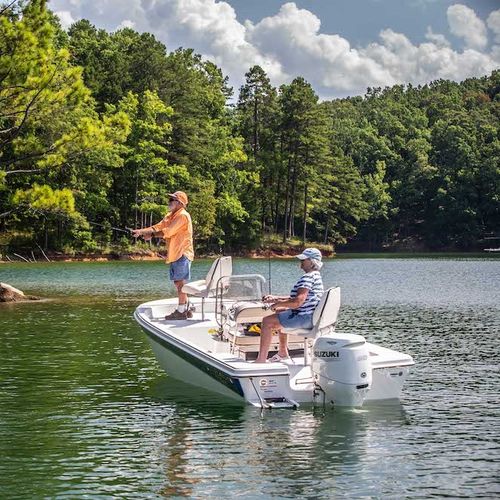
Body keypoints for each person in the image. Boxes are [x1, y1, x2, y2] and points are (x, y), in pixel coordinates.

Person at [131, 191, 194, 320]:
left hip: (182, 253)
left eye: (172, 200)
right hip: (175, 254)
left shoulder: (183, 216)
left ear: (180, 203)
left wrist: (152, 235)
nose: (169, 202)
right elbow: (158, 227)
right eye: (170, 199)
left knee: (180, 283)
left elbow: (169, 231)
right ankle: (187, 309)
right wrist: (141, 232)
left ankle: (181, 311)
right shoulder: (170, 216)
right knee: (178, 283)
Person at [255, 248, 324, 363]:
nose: (300, 263)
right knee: (281, 311)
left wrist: (276, 304)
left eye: (303, 260)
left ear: (312, 262)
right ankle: (283, 353)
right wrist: (276, 298)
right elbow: (299, 298)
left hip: (305, 317)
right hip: (310, 316)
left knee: (267, 322)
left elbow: (298, 302)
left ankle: (261, 360)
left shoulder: (307, 277)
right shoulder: (316, 276)